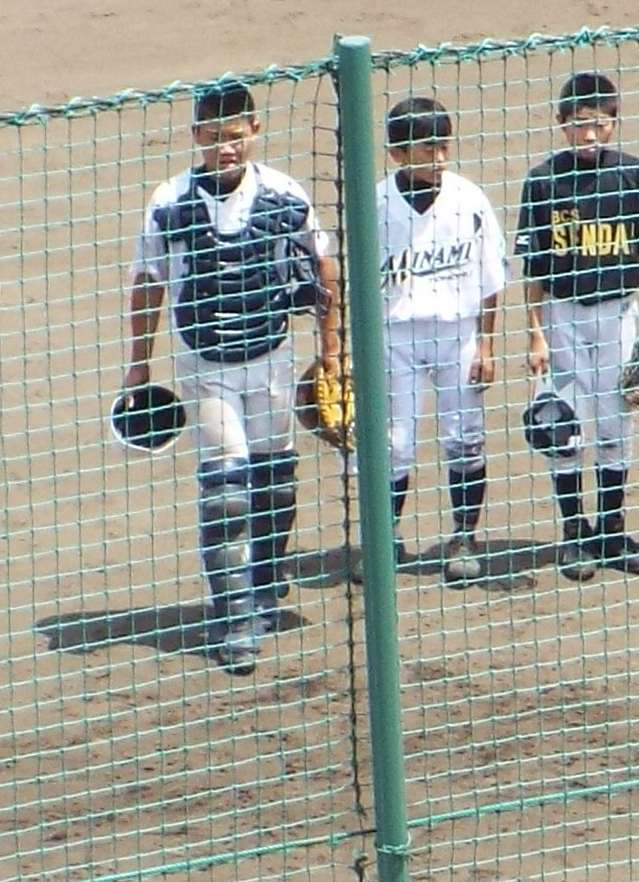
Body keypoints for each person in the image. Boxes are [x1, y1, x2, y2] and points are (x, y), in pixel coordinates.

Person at [117, 77, 334, 674]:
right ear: (195, 137)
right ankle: (233, 616)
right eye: (213, 138)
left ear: (255, 131)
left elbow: (324, 276)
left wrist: (331, 354)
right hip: (203, 362)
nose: (226, 149)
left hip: (271, 358)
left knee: (277, 483)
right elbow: (148, 282)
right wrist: (139, 365)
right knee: (225, 492)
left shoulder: (286, 196)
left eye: (235, 137)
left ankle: (263, 581)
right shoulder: (171, 201)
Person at [510, 68, 639, 575]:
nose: (591, 134)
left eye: (601, 124)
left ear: (614, 124)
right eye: (580, 124)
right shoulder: (543, 180)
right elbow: (534, 267)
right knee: (562, 423)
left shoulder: (633, 174)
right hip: (561, 313)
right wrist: (535, 332)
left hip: (619, 312)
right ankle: (574, 532)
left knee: (615, 421)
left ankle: (613, 531)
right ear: (562, 123)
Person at [373, 95, 513, 588]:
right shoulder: (375, 203)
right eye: (425, 148)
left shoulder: (469, 198)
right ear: (397, 154)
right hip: (395, 336)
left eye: (442, 146)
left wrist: (487, 346)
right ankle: (384, 536)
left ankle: (462, 536)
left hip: (458, 334)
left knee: (465, 439)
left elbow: (490, 279)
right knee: (394, 445)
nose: (438, 157)